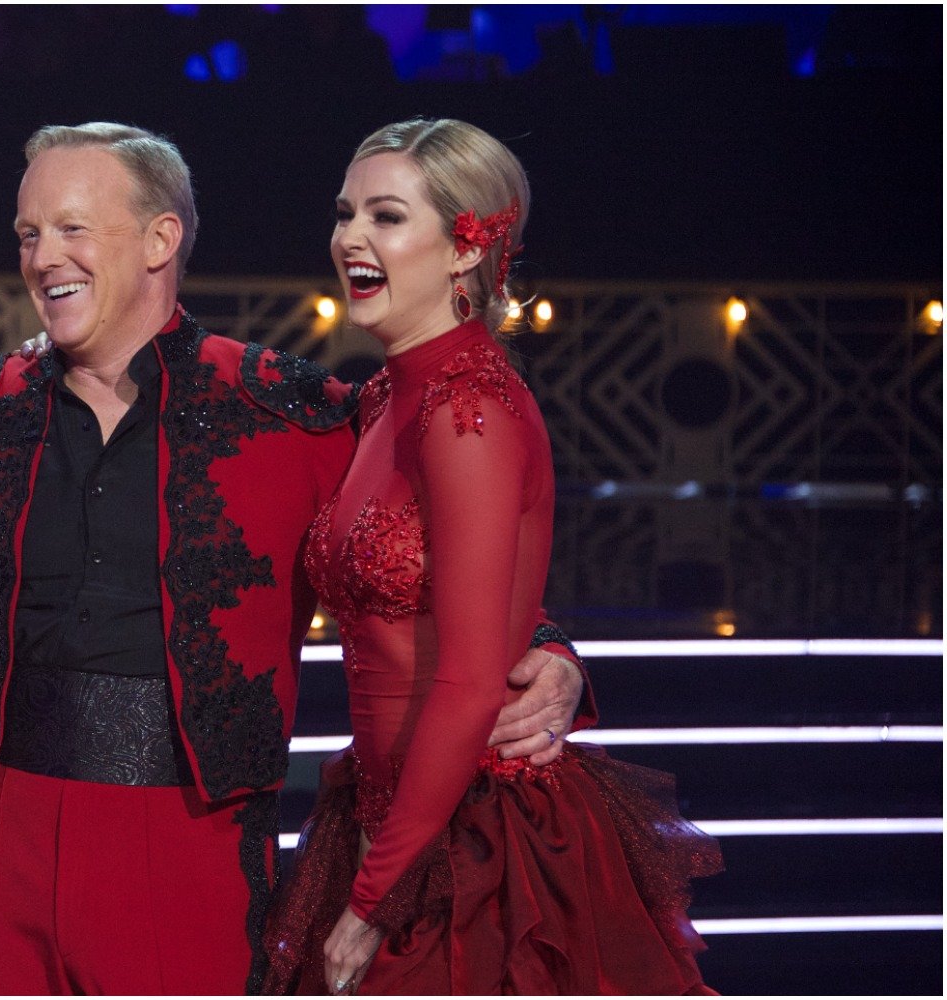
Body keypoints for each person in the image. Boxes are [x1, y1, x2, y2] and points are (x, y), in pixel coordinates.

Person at [0, 121, 588, 996]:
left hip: (195, 852)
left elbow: (424, 542)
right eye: (28, 233)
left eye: (72, 228)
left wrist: (546, 647)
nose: (42, 255)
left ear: (162, 238)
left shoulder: (298, 413)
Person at [261, 118, 719, 995]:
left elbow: (470, 679)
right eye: (346, 212)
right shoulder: (388, 397)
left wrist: (373, 896)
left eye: (387, 216)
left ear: (466, 247)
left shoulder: (469, 412)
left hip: (474, 839)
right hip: (388, 817)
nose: (350, 236)